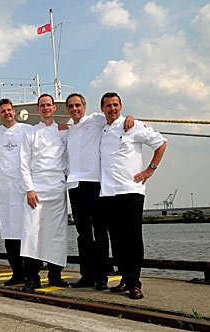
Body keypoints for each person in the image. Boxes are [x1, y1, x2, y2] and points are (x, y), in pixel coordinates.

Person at [99, 92, 167, 300]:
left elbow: (161, 143)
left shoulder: (133, 125)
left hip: (131, 191)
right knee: (117, 240)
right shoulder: (101, 129)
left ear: (121, 106)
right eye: (108, 106)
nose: (112, 109)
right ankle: (124, 279)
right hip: (108, 193)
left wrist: (150, 169)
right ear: (102, 109)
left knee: (133, 240)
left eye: (116, 105)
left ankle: (135, 283)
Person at [64, 93, 134, 291]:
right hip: (74, 184)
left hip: (94, 183)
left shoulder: (96, 120)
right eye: (71, 106)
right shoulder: (68, 128)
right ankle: (87, 275)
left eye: (78, 105)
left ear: (84, 107)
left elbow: (115, 116)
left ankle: (102, 275)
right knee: (83, 233)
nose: (74, 109)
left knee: (100, 232)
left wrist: (130, 118)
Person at [19, 94, 70, 292]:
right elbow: (23, 163)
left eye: (49, 105)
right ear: (38, 109)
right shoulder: (30, 133)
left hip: (57, 187)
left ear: (54, 108)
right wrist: (29, 189)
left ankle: (55, 275)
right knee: (31, 232)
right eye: (42, 105)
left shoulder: (64, 131)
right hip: (37, 188)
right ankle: (32, 278)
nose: (46, 108)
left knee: (56, 233)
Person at [0, 98, 32, 286]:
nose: (7, 113)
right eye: (3, 111)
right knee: (8, 231)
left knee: (26, 230)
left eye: (9, 110)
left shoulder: (27, 129)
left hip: (23, 187)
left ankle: (30, 273)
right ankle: (16, 272)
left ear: (13, 111)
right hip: (5, 188)